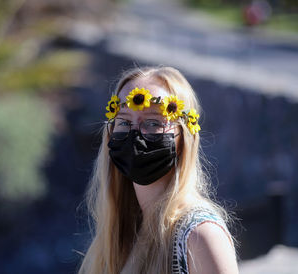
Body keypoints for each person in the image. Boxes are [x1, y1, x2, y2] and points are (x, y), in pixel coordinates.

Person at [77, 65, 239, 274]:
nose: (135, 134)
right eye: (124, 121)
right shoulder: (125, 232)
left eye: (153, 122)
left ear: (184, 138)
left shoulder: (200, 236)